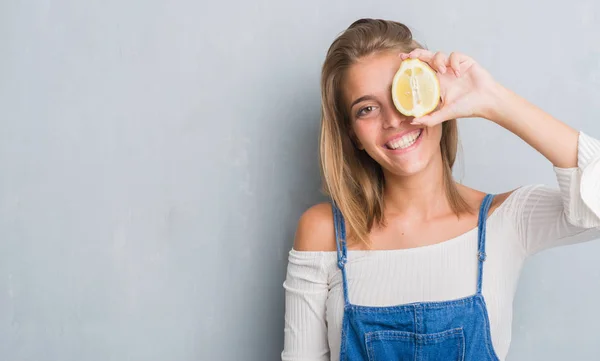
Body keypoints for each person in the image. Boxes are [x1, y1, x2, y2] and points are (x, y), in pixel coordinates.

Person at [281, 18, 600, 361]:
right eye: (367, 108)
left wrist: (493, 100)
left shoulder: (507, 220)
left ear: (436, 97)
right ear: (352, 136)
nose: (392, 120)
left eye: (402, 94)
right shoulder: (323, 232)